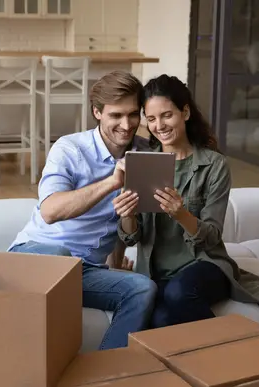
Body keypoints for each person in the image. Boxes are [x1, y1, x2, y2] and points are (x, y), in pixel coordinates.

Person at [114, 74, 259, 329]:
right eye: (151, 119)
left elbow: (212, 237)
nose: (159, 125)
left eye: (167, 115)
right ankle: (226, 355)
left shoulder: (214, 165)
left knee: (178, 293)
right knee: (160, 319)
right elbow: (132, 238)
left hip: (205, 264)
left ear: (185, 112)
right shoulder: (143, 163)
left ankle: (234, 347)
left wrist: (180, 213)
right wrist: (126, 215)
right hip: (156, 272)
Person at [8, 70, 157, 350]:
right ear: (97, 112)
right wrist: (112, 181)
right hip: (37, 256)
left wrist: (115, 265)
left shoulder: (144, 152)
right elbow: (50, 211)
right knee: (62, 257)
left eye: (133, 114)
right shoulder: (70, 148)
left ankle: (107, 375)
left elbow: (118, 219)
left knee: (143, 288)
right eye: (116, 115)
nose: (126, 125)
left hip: (85, 271)